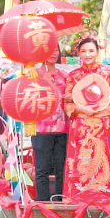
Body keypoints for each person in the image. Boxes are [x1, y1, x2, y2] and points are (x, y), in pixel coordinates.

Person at [62, 35, 110, 204]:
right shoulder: (73, 76)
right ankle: (82, 197)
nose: (87, 54)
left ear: (97, 52)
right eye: (83, 51)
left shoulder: (107, 72)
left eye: (91, 51)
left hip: (106, 124)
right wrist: (83, 109)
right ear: (78, 53)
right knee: (85, 161)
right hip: (82, 125)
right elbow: (67, 103)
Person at [30, 44, 69, 202]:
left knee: (62, 168)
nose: (53, 53)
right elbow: (28, 99)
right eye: (49, 50)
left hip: (63, 128)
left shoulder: (64, 75)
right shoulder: (34, 74)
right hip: (41, 128)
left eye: (55, 49)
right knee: (42, 169)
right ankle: (44, 201)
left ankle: (60, 200)